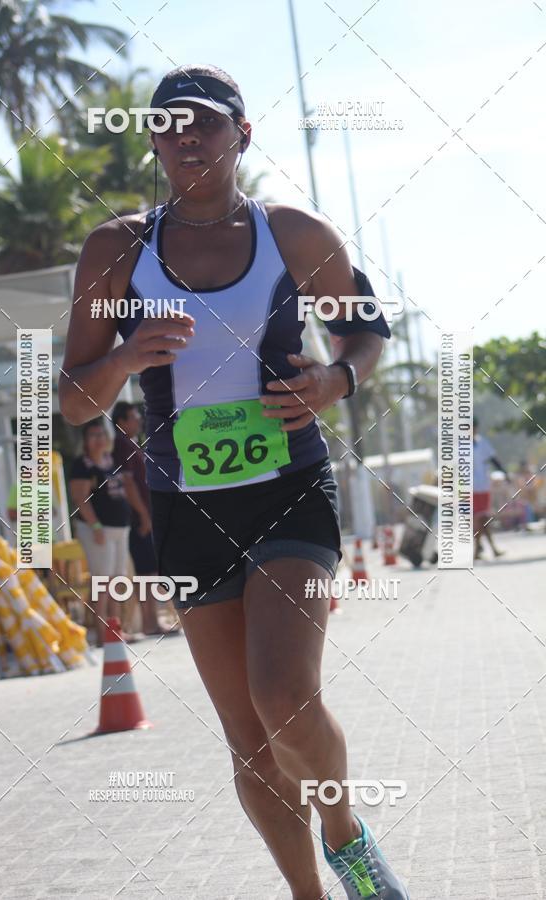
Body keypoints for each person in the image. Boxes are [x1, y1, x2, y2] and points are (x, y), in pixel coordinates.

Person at [59, 64, 409, 900]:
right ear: (150, 140)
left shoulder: (296, 234)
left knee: (285, 693)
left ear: (240, 134)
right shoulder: (117, 250)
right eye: (169, 124)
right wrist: (127, 357)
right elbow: (74, 400)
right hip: (187, 508)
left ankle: (346, 837)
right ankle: (308, 893)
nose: (187, 136)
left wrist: (336, 383)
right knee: (249, 739)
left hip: (288, 487)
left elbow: (366, 335)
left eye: (205, 123)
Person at [69, 417, 148, 645]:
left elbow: (127, 489)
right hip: (97, 529)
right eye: (93, 436)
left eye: (101, 435)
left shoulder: (110, 461)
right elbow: (80, 498)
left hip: (119, 527)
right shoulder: (82, 465)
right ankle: (102, 633)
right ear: (84, 440)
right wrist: (95, 526)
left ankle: (116, 630)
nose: (98, 440)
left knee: (116, 580)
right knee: (102, 581)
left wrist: (141, 514)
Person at [112, 400, 180, 634]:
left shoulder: (129, 444)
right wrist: (143, 515)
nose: (138, 420)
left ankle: (152, 620)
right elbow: (128, 482)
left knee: (150, 570)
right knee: (146, 571)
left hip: (143, 514)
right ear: (121, 421)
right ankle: (150, 621)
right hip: (137, 518)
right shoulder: (122, 445)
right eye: (133, 416)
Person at [473, 417, 508, 559]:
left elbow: (494, 459)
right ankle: (486, 548)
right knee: (479, 518)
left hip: (483, 485)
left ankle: (481, 549)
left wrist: (505, 472)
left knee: (483, 518)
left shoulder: (482, 443)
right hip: (469, 487)